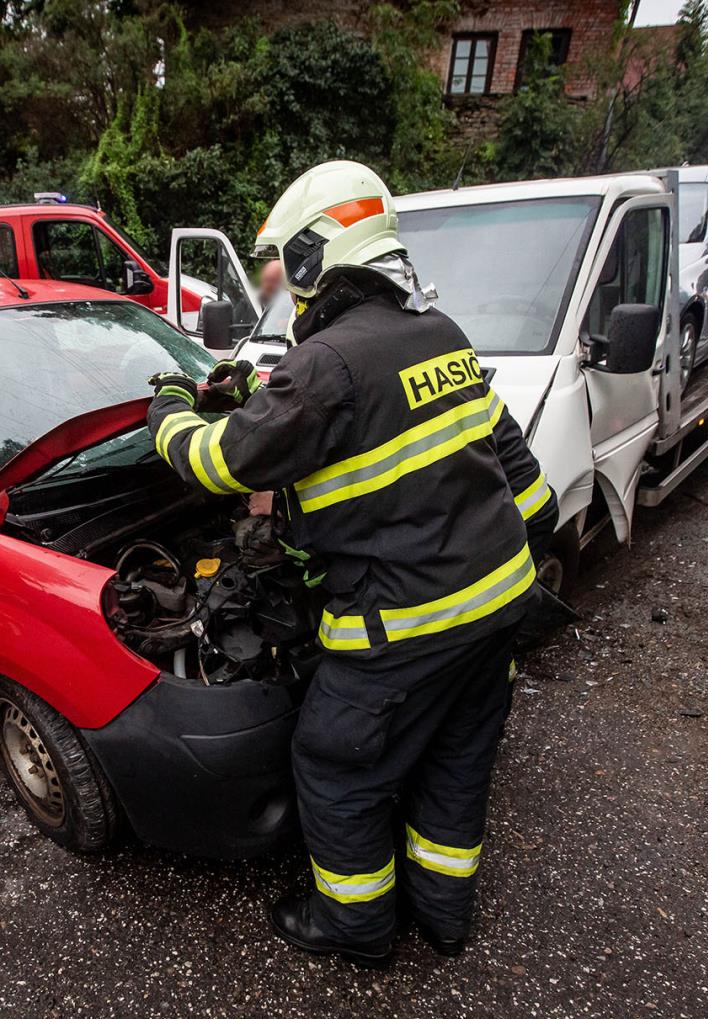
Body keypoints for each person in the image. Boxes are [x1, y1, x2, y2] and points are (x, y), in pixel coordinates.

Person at [147, 160, 557, 967]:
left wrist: (170, 400)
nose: (284, 286)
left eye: (285, 266)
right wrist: (520, 558)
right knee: (454, 762)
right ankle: (444, 914)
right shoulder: (441, 335)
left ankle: (356, 926)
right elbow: (521, 475)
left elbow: (218, 462)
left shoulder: (326, 364)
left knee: (335, 766)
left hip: (405, 626)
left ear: (314, 258)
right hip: (499, 605)